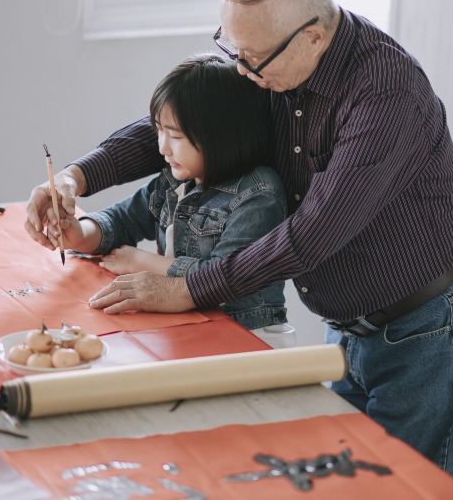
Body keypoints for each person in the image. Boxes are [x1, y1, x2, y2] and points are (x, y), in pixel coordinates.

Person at [25, 0, 453, 486]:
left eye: (252, 58)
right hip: (353, 327)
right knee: (352, 488)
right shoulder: (272, 63)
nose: (241, 70)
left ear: (314, 36)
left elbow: (315, 233)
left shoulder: (385, 93)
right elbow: (193, 120)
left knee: (413, 491)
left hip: (429, 325)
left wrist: (188, 287)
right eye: (233, 49)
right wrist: (75, 178)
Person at [49, 53, 293, 344]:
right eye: (159, 131)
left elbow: (221, 277)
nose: (163, 148)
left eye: (175, 137)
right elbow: (122, 220)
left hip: (250, 337)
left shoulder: (259, 193)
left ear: (222, 135)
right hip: (187, 327)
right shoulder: (172, 180)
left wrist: (141, 261)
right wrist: (78, 232)